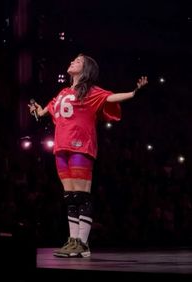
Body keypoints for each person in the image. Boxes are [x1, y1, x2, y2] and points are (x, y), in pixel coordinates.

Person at [28, 53, 148, 258]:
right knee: (70, 197)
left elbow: (111, 97)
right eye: (73, 59)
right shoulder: (63, 92)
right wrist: (38, 112)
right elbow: (46, 111)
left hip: (81, 146)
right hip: (61, 147)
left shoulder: (91, 91)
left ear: (86, 69)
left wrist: (134, 93)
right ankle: (73, 240)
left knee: (81, 195)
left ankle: (83, 243)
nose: (72, 61)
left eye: (78, 61)